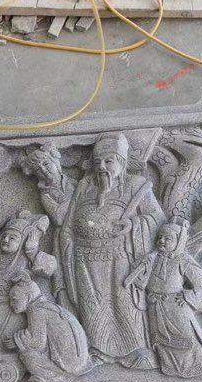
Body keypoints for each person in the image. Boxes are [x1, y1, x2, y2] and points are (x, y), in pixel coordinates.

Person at [59, 132, 166, 369]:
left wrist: (133, 225)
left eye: (109, 161)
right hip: (86, 260)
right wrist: (68, 248)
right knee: (94, 305)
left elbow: (157, 219)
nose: (101, 167)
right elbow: (68, 224)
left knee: (124, 303)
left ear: (122, 163)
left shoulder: (137, 185)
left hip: (122, 257)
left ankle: (136, 350)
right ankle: (99, 350)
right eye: (97, 162)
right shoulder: (85, 186)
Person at [124, 222, 202, 378]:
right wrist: (144, 267)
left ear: (178, 241)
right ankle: (171, 368)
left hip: (176, 306)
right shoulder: (153, 258)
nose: (161, 241)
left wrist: (189, 297)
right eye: (160, 237)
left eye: (167, 238)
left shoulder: (183, 259)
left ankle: (201, 366)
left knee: (187, 338)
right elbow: (141, 284)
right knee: (162, 340)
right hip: (155, 305)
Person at [0, 212, 56, 350]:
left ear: (22, 241)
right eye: (4, 236)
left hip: (13, 306)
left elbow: (50, 269)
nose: (6, 239)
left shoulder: (25, 257)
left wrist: (32, 251)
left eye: (12, 238)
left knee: (7, 342)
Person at [10, 273, 92, 382]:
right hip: (80, 362)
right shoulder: (49, 307)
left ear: (28, 296)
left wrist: (17, 339)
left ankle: (55, 378)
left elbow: (37, 343)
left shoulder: (36, 310)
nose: (11, 304)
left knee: (27, 355)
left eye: (14, 299)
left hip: (69, 365)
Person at [21, 144, 76, 308]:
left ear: (56, 162)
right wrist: (77, 198)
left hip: (85, 234)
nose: (44, 171)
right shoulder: (46, 194)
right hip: (65, 239)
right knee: (68, 280)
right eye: (38, 170)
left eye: (46, 164)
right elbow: (58, 218)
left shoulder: (74, 183)